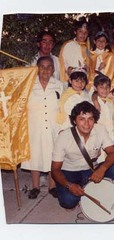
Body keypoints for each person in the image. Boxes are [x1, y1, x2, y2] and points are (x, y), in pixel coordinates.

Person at [51, 101, 114, 210]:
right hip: (70, 173)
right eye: (82, 119)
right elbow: (55, 170)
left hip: (91, 171)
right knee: (68, 202)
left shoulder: (100, 129)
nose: (87, 124)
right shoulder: (64, 136)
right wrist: (69, 185)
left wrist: (102, 168)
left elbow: (113, 154)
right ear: (74, 121)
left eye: (90, 119)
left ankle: (95, 191)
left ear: (94, 120)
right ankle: (86, 191)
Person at [21, 56, 64, 199]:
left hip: (53, 126)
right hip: (34, 125)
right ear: (37, 68)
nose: (46, 70)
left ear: (53, 69)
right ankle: (35, 186)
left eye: (49, 67)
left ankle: (52, 186)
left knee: (53, 155)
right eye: (42, 67)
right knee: (35, 156)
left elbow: (63, 107)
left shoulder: (59, 85)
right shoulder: (29, 85)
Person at [59, 18, 89, 83]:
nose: (83, 34)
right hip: (71, 78)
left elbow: (90, 62)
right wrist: (69, 69)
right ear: (75, 32)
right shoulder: (68, 45)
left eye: (85, 32)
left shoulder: (88, 47)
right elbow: (63, 62)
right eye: (80, 31)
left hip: (84, 79)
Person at [91, 73, 114, 138]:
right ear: (95, 88)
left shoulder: (111, 102)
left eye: (107, 87)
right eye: (101, 87)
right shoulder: (92, 102)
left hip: (111, 135)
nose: (105, 89)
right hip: (98, 135)